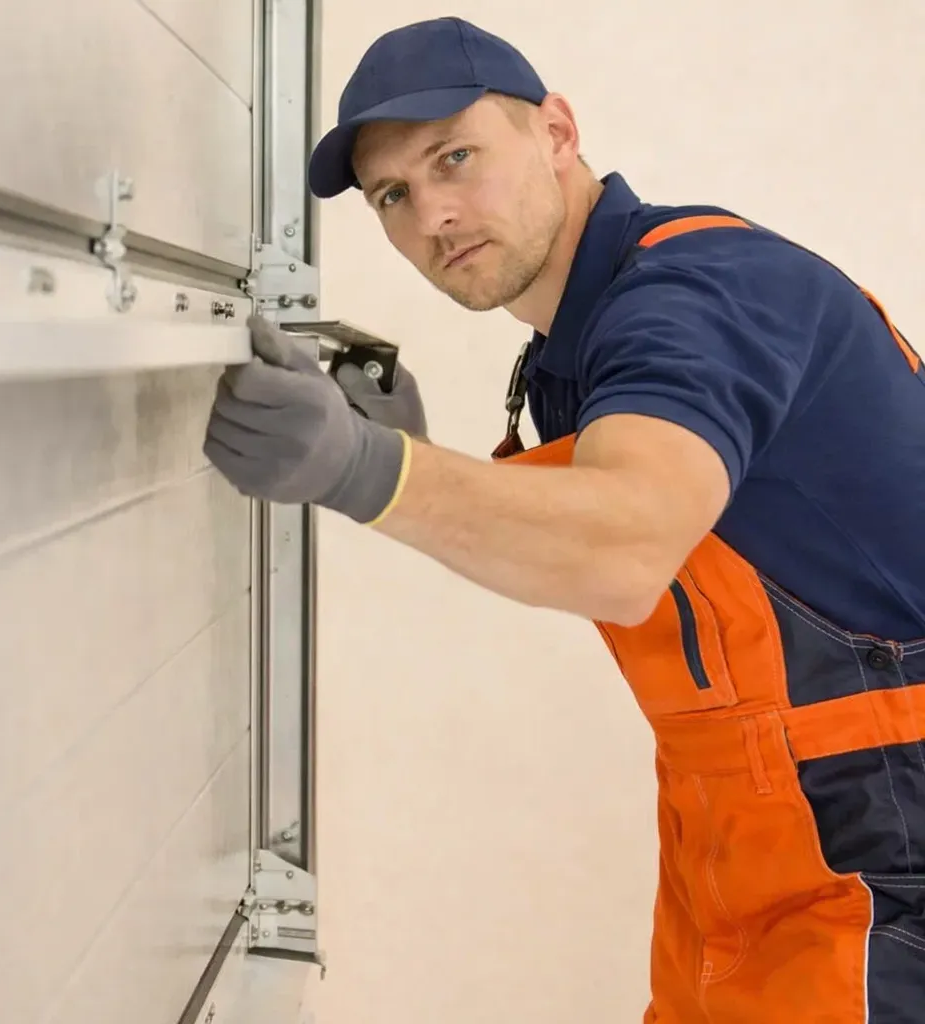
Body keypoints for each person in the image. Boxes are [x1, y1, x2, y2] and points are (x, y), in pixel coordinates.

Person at [203, 15, 925, 1022]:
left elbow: (625, 546)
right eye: (392, 195)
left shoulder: (697, 295)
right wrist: (422, 467)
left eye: (454, 157)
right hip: (742, 838)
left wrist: (372, 470)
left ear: (556, 132)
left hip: (881, 842)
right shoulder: (574, 352)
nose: (432, 214)